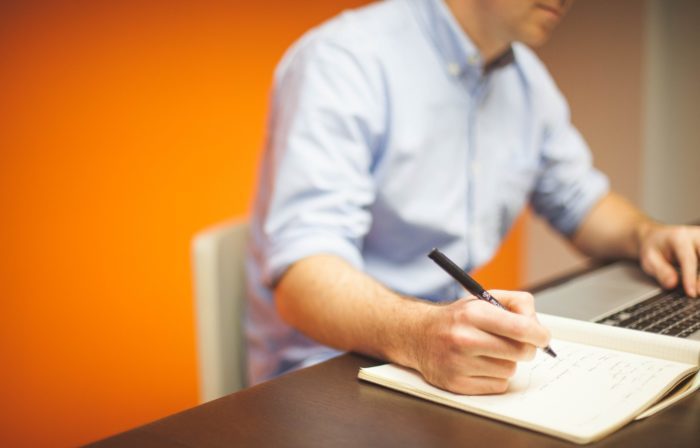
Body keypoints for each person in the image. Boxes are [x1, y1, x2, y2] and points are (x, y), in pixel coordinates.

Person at [245, 0, 700, 393]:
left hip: (445, 355)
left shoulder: (524, 80)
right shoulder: (343, 61)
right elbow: (302, 279)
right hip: (329, 375)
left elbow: (579, 200)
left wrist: (647, 235)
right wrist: (421, 335)